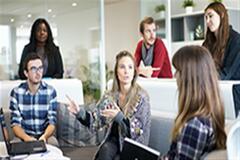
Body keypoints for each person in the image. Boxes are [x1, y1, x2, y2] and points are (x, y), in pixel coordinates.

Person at [68, 51, 151, 160]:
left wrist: (119, 117)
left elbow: (138, 130)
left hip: (133, 144)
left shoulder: (142, 97)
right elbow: (95, 121)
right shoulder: (110, 96)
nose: (126, 71)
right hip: (113, 142)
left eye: (130, 67)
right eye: (122, 67)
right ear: (117, 71)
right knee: (106, 149)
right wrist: (79, 112)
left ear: (134, 72)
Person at [161, 46, 226, 159]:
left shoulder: (195, 125)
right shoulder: (209, 114)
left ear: (189, 78)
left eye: (178, 71)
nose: (175, 76)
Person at [10, 53, 58, 146]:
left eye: (40, 68)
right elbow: (15, 124)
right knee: (14, 145)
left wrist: (44, 137)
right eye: (33, 69)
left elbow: (52, 122)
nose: (38, 72)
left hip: (45, 136)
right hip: (24, 136)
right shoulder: (16, 93)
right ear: (26, 73)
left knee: (54, 143)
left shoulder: (50, 92)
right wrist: (27, 138)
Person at [203, 2, 240, 116]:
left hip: (231, 93)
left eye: (210, 16)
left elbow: (226, 74)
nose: (208, 21)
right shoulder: (208, 42)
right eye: (206, 18)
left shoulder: (236, 40)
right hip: (214, 90)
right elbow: (199, 65)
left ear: (222, 15)